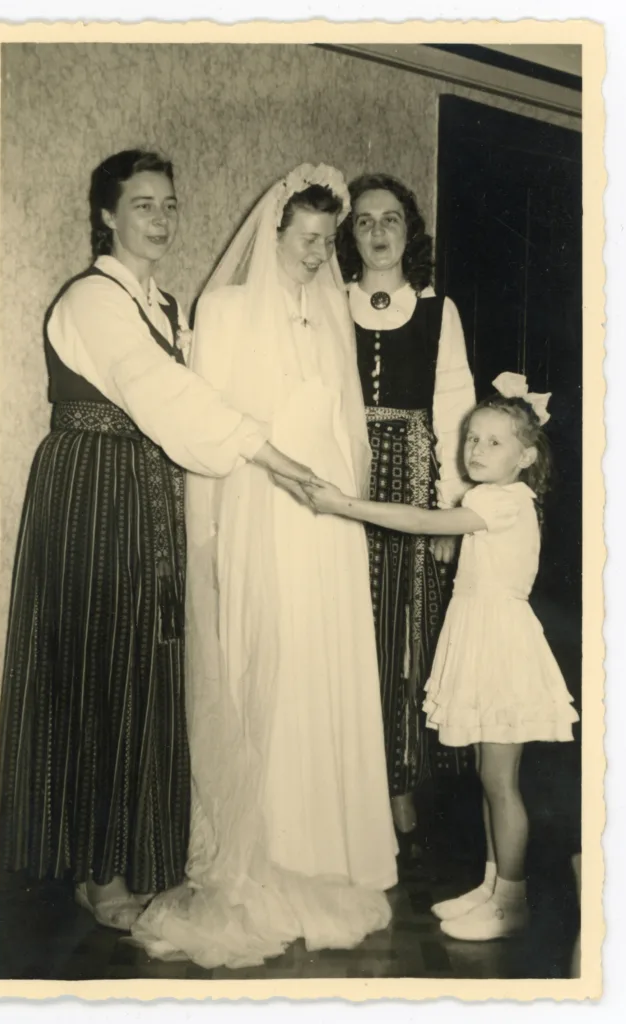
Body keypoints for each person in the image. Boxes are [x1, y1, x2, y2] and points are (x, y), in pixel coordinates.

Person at [0, 150, 314, 931]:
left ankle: (139, 855)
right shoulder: (91, 300)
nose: (162, 219)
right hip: (92, 489)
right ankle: (96, 872)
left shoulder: (171, 307)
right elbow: (161, 390)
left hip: (149, 493)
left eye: (170, 205)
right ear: (106, 215)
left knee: (147, 666)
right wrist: (265, 450)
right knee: (98, 667)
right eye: (144, 205)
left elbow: (207, 390)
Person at [130, 164, 398, 968]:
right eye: (308, 240)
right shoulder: (226, 307)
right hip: (259, 510)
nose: (320, 256)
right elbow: (215, 429)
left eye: (329, 242)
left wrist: (345, 504)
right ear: (274, 230)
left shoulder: (331, 311)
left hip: (326, 519)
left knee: (324, 672)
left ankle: (325, 853)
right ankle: (267, 858)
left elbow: (346, 423)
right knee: (269, 677)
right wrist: (211, 539)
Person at [304, 372, 579, 941]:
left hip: (502, 649)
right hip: (480, 638)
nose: (475, 450)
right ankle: (492, 885)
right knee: (488, 775)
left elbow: (425, 522)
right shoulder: (491, 497)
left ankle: (514, 900)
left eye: (493, 442)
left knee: (502, 782)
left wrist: (342, 504)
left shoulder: (505, 502)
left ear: (526, 456)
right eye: (471, 439)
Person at [337, 173, 476, 851]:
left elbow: (455, 410)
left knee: (403, 635)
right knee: (346, 632)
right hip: (347, 479)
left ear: (409, 230)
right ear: (349, 235)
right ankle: (347, 792)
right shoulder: (329, 304)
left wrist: (453, 508)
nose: (379, 232)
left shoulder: (435, 309)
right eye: (364, 221)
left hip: (414, 482)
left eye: (391, 219)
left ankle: (399, 793)